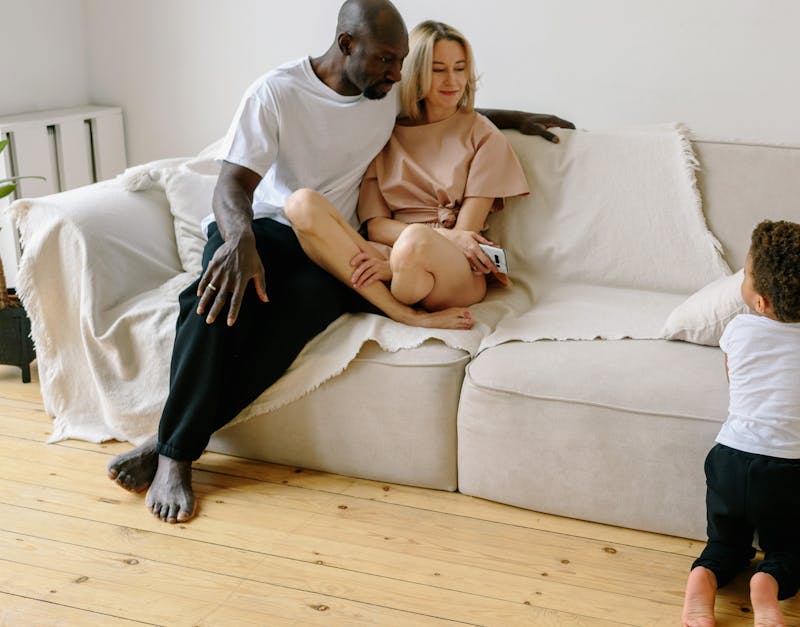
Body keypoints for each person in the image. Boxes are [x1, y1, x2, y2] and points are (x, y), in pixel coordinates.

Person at [105, 0, 572, 524]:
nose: (397, 74)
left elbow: (444, 111)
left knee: (286, 328)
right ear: (347, 45)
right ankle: (175, 455)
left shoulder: (382, 90)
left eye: (401, 64)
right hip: (259, 228)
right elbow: (231, 185)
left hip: (328, 244)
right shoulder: (276, 92)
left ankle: (167, 441)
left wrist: (515, 119)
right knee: (214, 301)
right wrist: (239, 244)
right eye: (387, 61)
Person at [681, 220, 800, 627]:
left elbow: (737, 382)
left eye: (745, 275)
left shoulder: (736, 330)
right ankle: (765, 586)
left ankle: (702, 581)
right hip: (783, 472)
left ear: (760, 302)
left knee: (725, 545)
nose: (742, 278)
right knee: (790, 555)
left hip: (726, 459)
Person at [284, 20, 528, 312]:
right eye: (439, 70)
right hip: (391, 253)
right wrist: (395, 258)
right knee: (303, 202)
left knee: (416, 241)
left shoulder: (485, 136)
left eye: (460, 68)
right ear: (417, 72)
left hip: (454, 266)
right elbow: (376, 227)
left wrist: (395, 264)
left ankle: (397, 277)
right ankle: (399, 305)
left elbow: (465, 235)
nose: (452, 80)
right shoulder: (386, 132)